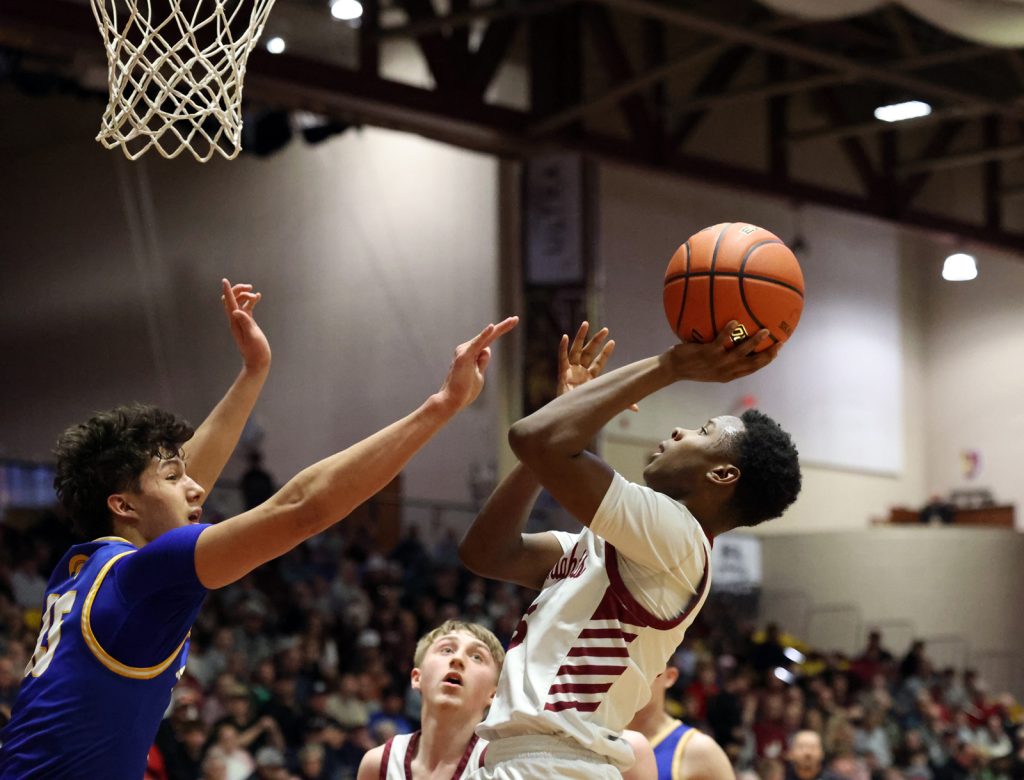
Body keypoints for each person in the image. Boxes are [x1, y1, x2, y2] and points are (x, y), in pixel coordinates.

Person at [0, 278, 517, 779]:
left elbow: (174, 487)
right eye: (174, 478)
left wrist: (253, 372)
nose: (196, 489)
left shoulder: (83, 568)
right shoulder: (143, 577)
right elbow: (302, 507)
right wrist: (441, 406)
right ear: (123, 505)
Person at [460, 321, 801, 779]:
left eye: (702, 431)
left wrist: (671, 366)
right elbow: (487, 553)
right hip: (526, 759)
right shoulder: (634, 545)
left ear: (721, 475)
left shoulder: (679, 540)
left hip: (555, 765)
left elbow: (534, 438)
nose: (679, 430)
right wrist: (568, 414)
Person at [357, 620, 505, 780]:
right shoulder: (378, 765)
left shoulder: (502, 769)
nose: (458, 658)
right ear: (417, 677)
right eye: (447, 650)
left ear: (493, 694)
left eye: (477, 657)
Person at [627, 665, 733, 780]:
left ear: (669, 676)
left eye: (644, 666)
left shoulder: (699, 749)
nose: (634, 676)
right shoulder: (612, 737)